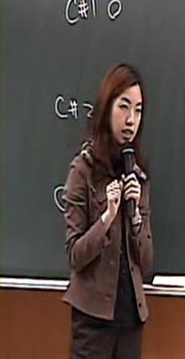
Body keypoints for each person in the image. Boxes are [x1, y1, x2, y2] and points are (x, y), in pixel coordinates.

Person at [62, 63, 153, 358]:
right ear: (107, 108)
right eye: (124, 107)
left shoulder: (137, 174)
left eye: (138, 110)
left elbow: (146, 261)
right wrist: (107, 218)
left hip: (130, 320)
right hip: (93, 321)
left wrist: (135, 217)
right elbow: (75, 255)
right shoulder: (83, 170)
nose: (131, 120)